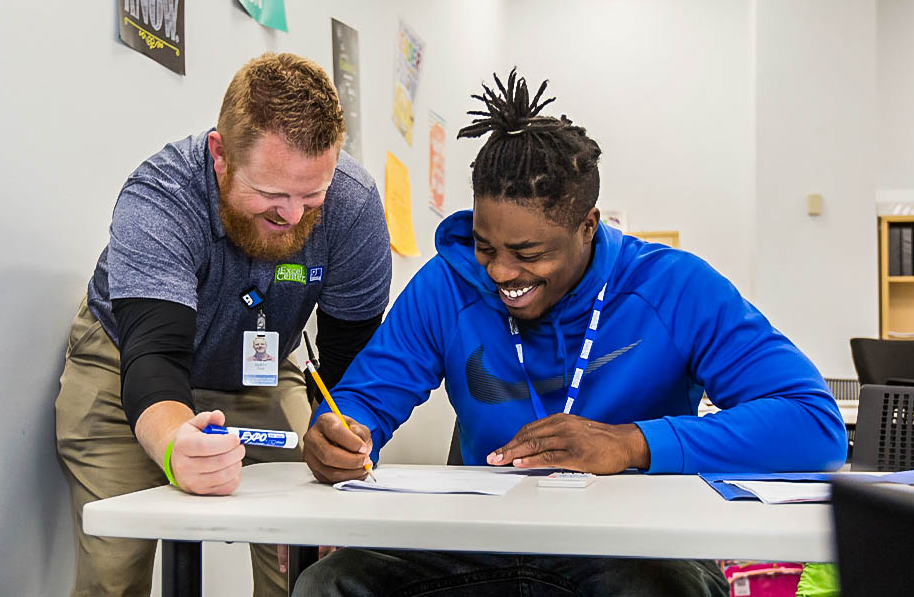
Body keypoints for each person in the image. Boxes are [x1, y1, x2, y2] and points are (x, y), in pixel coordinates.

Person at [296, 70, 847, 597]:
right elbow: (364, 399)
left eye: (528, 253)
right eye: (487, 247)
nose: (500, 273)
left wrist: (633, 444)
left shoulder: (674, 287)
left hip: (632, 544)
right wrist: (338, 431)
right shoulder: (447, 283)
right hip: (479, 538)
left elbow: (816, 424)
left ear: (588, 225)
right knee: (330, 584)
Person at [55, 52, 392, 597]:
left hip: (258, 372)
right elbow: (156, 356)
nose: (293, 215)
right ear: (220, 155)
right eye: (272, 194)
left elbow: (350, 362)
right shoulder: (161, 196)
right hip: (128, 366)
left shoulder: (353, 207)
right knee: (113, 570)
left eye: (312, 196)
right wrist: (172, 446)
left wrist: (341, 442)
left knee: (305, 562)